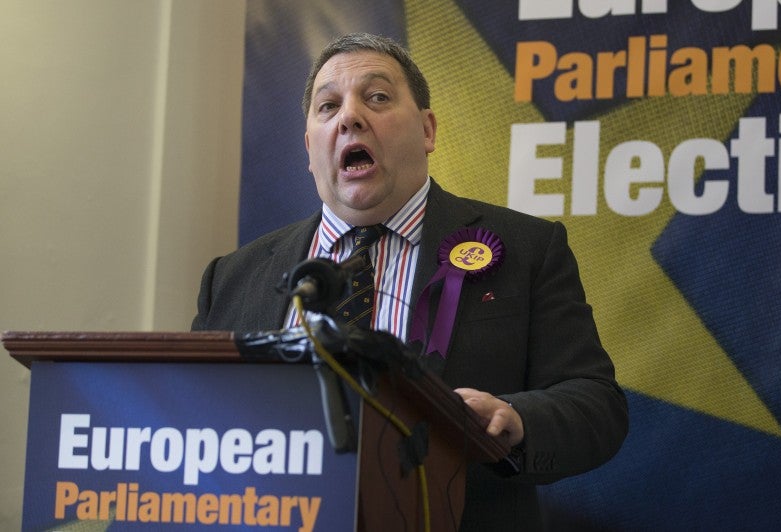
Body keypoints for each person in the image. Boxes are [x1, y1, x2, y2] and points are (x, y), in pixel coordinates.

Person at [191, 32, 628, 531]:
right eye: (328, 106)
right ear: (310, 147)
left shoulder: (527, 249)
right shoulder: (231, 277)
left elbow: (597, 405)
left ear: (427, 130)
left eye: (377, 97)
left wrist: (514, 418)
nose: (350, 117)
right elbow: (190, 419)